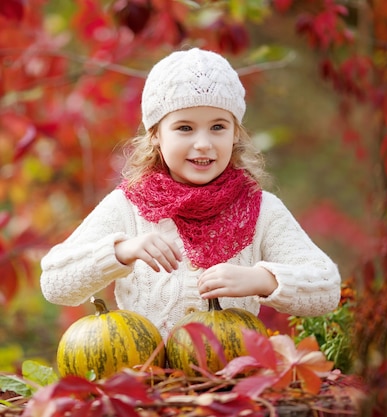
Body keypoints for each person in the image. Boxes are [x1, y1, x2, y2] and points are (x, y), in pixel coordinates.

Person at [40, 48, 342, 341]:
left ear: (235, 133)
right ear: (156, 134)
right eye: (185, 128)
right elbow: (55, 283)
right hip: (146, 381)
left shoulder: (260, 209)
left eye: (217, 127)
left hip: (230, 379)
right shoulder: (129, 206)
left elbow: (327, 289)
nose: (203, 144)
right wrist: (121, 251)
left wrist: (262, 280)